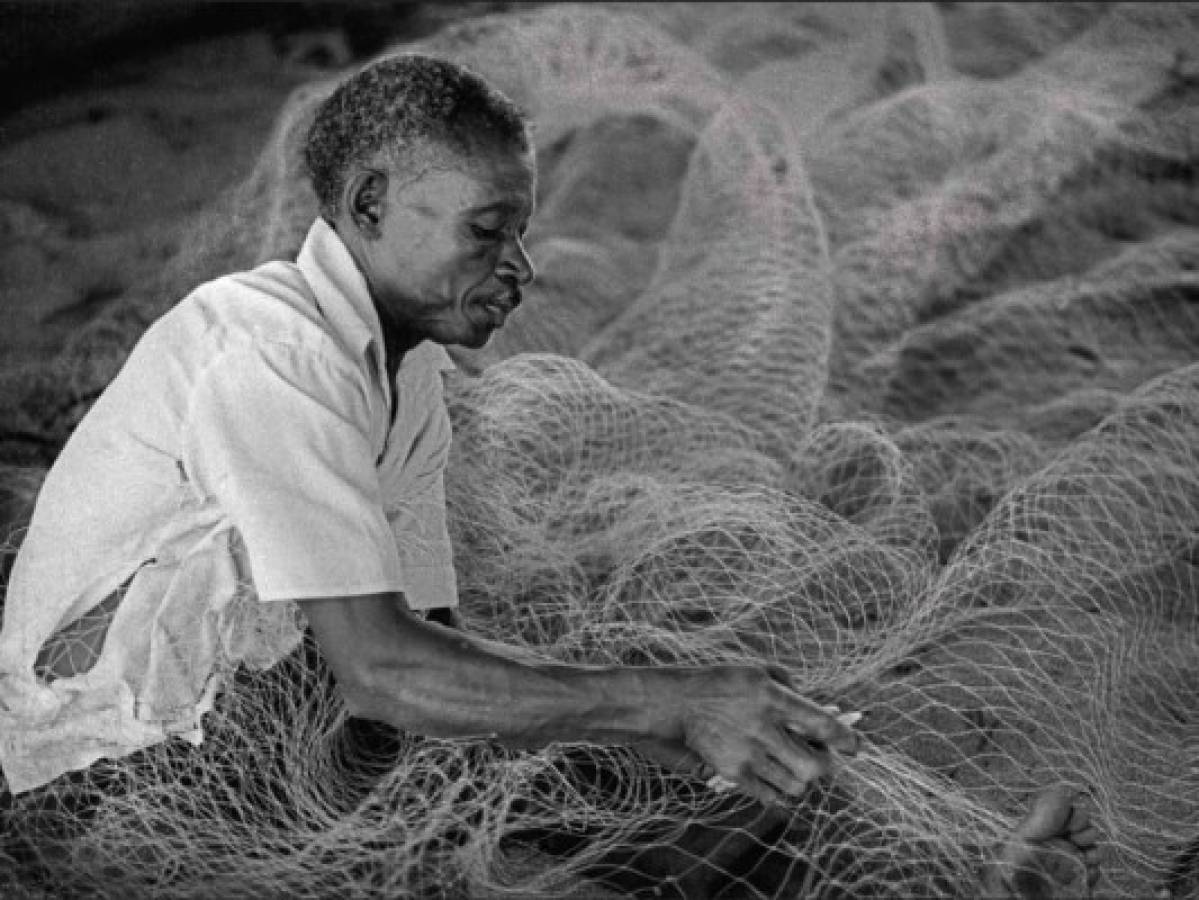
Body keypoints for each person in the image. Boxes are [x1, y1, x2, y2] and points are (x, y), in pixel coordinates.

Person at [0, 53, 1097, 897]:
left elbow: (418, 656)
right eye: (487, 231)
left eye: (521, 235)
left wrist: (663, 734)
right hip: (113, 782)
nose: (516, 268)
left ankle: (951, 870)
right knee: (622, 774)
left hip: (262, 723)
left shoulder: (402, 374)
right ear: (371, 204)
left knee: (680, 765)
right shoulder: (273, 354)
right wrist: (666, 710)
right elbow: (379, 673)